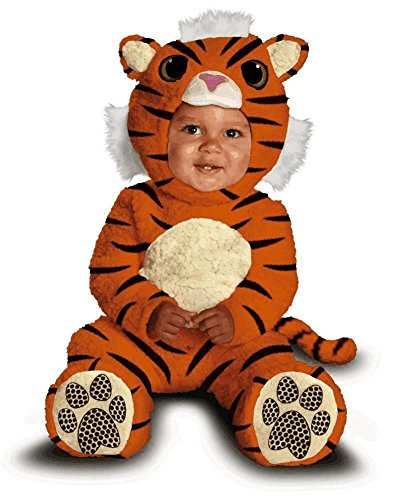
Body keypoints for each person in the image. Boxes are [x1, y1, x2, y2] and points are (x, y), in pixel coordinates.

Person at [146, 102, 252, 345]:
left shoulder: (263, 213)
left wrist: (238, 318)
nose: (211, 146)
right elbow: (111, 273)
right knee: (98, 343)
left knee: (263, 354)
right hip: (150, 343)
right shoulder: (139, 202)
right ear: (162, 137)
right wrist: (149, 310)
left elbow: (275, 282)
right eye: (192, 129)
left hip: (230, 346)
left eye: (231, 133)